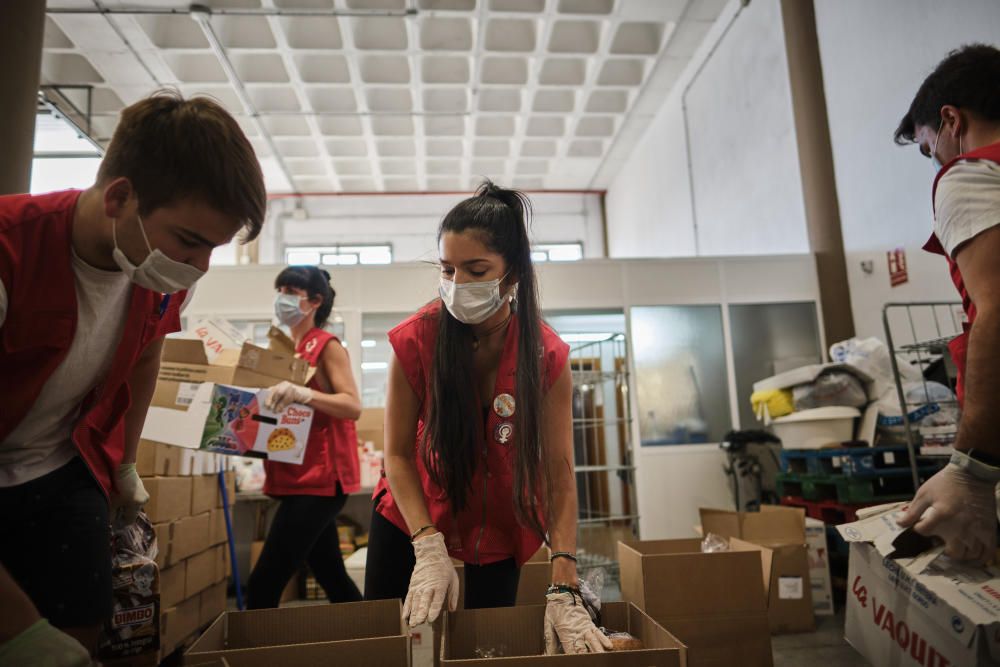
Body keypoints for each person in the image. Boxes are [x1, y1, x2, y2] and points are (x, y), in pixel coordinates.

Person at [0, 91, 265, 662]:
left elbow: (146, 356)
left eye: (213, 249)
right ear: (120, 197)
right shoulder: (10, 251)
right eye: (190, 241)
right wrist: (19, 630)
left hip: (60, 466)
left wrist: (124, 461)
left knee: (88, 627)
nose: (199, 267)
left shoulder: (157, 274)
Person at [364, 181, 611, 655]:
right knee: (391, 645)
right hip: (413, 513)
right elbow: (396, 455)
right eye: (448, 269)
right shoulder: (415, 340)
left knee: (487, 650)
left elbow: (558, 473)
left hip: (499, 522)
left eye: (476, 271)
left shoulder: (545, 355)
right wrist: (427, 544)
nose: (457, 284)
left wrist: (564, 577)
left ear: (512, 272)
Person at [894, 44, 1000, 564]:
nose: (935, 160)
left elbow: (998, 308)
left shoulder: (969, 175)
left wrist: (972, 468)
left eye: (927, 148)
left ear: (952, 121)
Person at [246, 266, 364, 609]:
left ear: (315, 301)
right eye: (280, 290)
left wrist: (304, 394)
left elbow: (352, 405)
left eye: (291, 292)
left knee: (263, 584)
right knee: (331, 575)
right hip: (297, 475)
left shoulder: (326, 346)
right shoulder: (288, 351)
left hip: (320, 480)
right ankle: (375, 631)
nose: (281, 298)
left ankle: (250, 644)